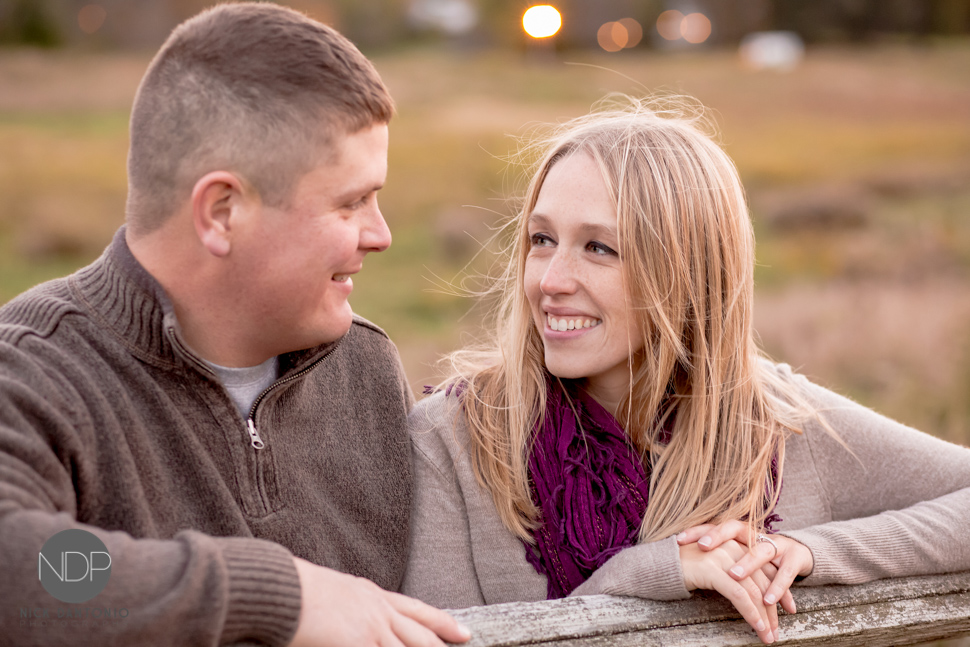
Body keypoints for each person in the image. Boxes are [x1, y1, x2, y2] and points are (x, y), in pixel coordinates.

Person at [401, 97, 970, 644]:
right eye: (542, 239)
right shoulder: (452, 438)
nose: (550, 280)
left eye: (599, 248)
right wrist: (652, 572)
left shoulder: (777, 423)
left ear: (688, 271)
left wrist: (808, 551)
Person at [0, 4, 470, 646]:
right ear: (222, 212)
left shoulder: (365, 366)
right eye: (351, 202)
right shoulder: (31, 371)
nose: (381, 234)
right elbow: (18, 569)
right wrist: (277, 595)